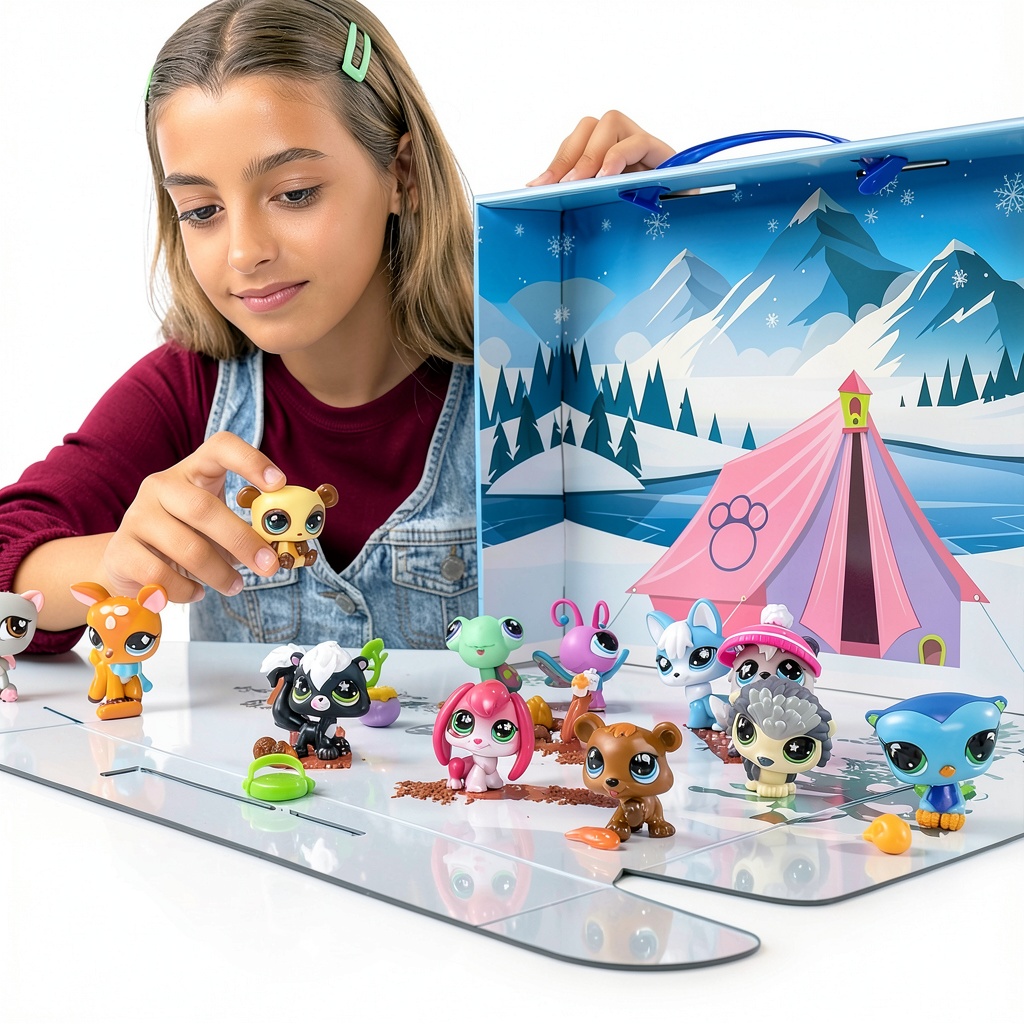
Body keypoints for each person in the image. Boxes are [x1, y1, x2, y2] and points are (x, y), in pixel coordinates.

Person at [0, 0, 673, 652]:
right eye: (201, 210)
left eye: (294, 194)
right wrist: (114, 563)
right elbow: (10, 551)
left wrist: (682, 222)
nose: (244, 252)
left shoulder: (541, 369)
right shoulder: (187, 390)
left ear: (402, 175)